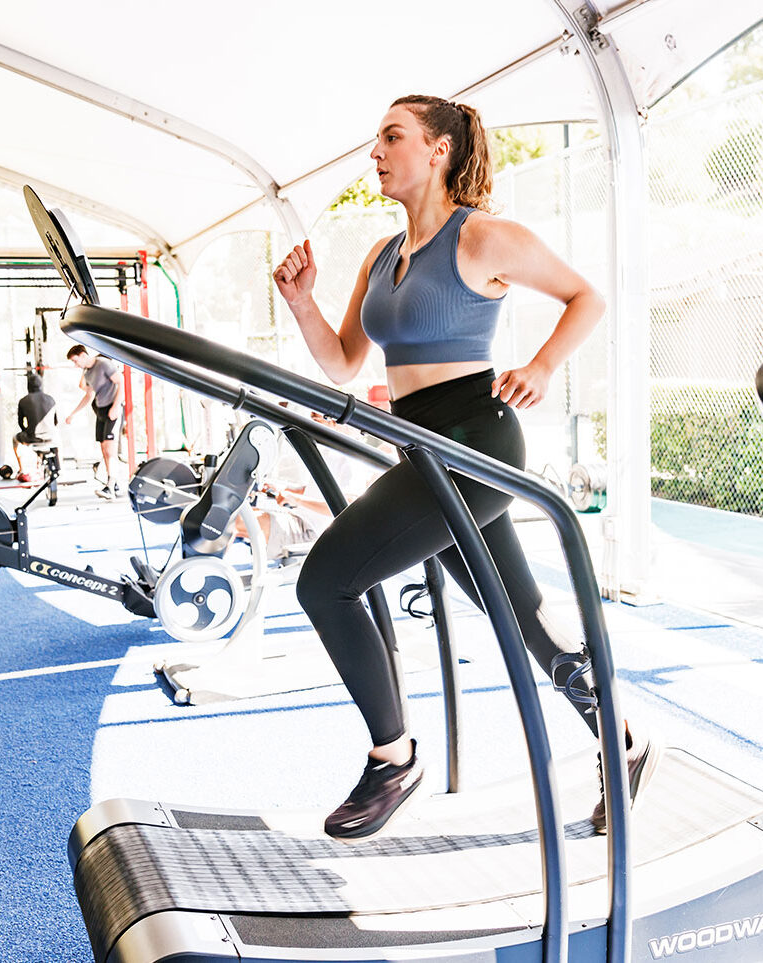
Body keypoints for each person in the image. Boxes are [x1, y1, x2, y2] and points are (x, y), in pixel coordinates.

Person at [273, 94, 657, 841]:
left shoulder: (479, 237)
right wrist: (300, 302)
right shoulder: (381, 257)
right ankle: (623, 737)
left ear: (437, 150)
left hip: (475, 439)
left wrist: (543, 365)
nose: (376, 152)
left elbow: (586, 296)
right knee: (518, 612)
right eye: (375, 139)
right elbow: (345, 362)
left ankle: (393, 758)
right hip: (421, 447)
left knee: (325, 580)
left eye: (391, 137)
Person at [64, 345, 124, 499]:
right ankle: (114, 484)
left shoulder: (103, 363)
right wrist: (73, 414)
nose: (75, 365)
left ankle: (110, 487)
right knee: (104, 449)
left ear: (83, 355)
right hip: (101, 409)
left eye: (76, 361)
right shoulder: (87, 372)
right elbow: (88, 395)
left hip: (113, 408)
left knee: (110, 449)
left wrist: (116, 406)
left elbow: (120, 381)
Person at [12, 372, 57, 483]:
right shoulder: (51, 399)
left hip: (32, 437)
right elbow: (55, 421)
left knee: (14, 438)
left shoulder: (24, 400)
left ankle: (22, 469)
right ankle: (57, 467)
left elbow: (20, 422)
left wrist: (26, 432)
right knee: (55, 439)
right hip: (51, 437)